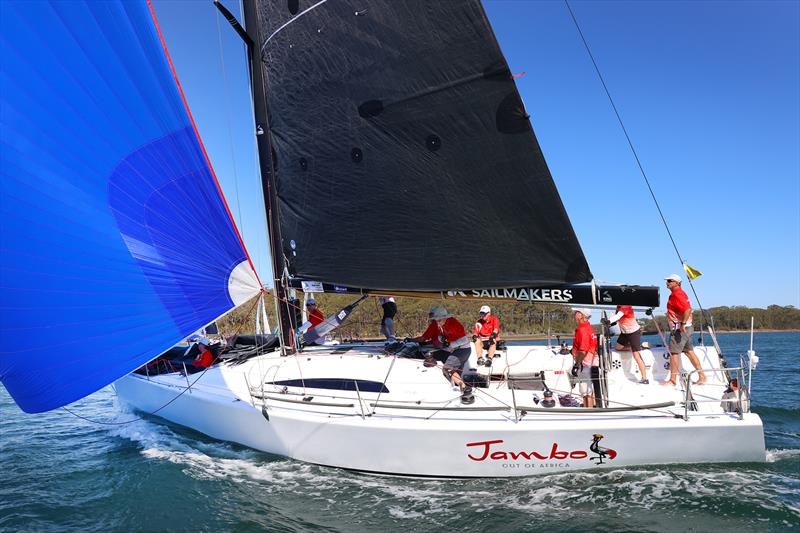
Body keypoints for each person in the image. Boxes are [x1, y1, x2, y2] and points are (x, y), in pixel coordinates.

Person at [412, 308, 474, 404]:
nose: (437, 322)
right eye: (435, 320)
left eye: (439, 320)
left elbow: (464, 340)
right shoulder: (441, 324)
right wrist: (443, 339)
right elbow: (443, 337)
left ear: (444, 318)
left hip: (462, 350)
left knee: (447, 368)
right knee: (430, 354)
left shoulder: (454, 324)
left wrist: (450, 344)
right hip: (452, 350)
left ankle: (465, 388)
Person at [662, 274, 707, 386]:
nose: (667, 283)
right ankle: (702, 376)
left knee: (674, 353)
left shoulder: (677, 294)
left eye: (670, 281)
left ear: (677, 282)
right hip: (687, 328)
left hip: (680, 329)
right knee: (689, 352)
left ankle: (672, 381)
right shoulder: (678, 293)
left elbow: (687, 310)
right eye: (667, 281)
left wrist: (682, 324)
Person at [605, 305, 648, 384]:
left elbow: (618, 316)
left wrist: (608, 321)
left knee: (636, 356)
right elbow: (617, 319)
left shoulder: (625, 306)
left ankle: (644, 379)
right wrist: (609, 323)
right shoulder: (618, 307)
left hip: (633, 333)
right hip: (624, 333)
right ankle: (633, 347)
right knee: (617, 347)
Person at [571, 308, 598, 408]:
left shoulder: (582, 329)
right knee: (588, 389)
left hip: (585, 363)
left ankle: (589, 412)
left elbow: (583, 351)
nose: (575, 314)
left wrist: (576, 365)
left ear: (582, 315)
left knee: (586, 391)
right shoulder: (589, 327)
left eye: (577, 313)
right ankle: (591, 409)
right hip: (591, 361)